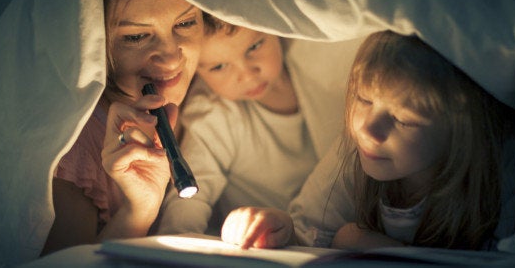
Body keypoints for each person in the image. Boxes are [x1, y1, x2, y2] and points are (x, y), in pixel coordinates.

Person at [220, 30, 515, 252]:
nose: (368, 129)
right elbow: (309, 228)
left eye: (403, 119)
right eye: (364, 99)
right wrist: (279, 226)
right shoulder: (355, 151)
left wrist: (358, 240)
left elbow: (512, 258)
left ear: (459, 131)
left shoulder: (498, 173)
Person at [40, 0, 207, 255]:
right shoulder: (73, 150)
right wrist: (137, 210)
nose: (170, 59)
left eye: (185, 23)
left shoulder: (209, 82)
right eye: (135, 37)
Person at [156, 16, 364, 238]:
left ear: (275, 31)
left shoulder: (314, 65)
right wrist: (178, 242)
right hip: (267, 239)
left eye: (254, 46)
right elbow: (191, 196)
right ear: (198, 73)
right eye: (219, 67)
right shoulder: (214, 113)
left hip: (340, 226)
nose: (247, 74)